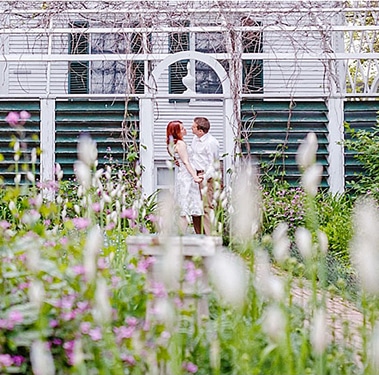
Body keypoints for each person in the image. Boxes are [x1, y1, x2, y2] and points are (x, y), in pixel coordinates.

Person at [166, 120, 203, 233]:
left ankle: (198, 234)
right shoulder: (180, 144)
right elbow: (186, 162)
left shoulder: (172, 144)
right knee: (186, 208)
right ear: (176, 132)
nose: (185, 130)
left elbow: (178, 160)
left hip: (183, 176)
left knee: (193, 209)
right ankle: (180, 236)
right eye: (181, 129)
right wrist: (195, 176)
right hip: (187, 178)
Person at [191, 117, 220, 235]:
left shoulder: (212, 143)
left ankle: (210, 237)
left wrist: (204, 177)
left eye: (193, 127)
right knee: (195, 207)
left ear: (201, 131)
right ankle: (199, 235)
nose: (191, 128)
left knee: (207, 207)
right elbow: (193, 156)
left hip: (205, 176)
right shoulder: (195, 139)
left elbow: (213, 163)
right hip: (194, 174)